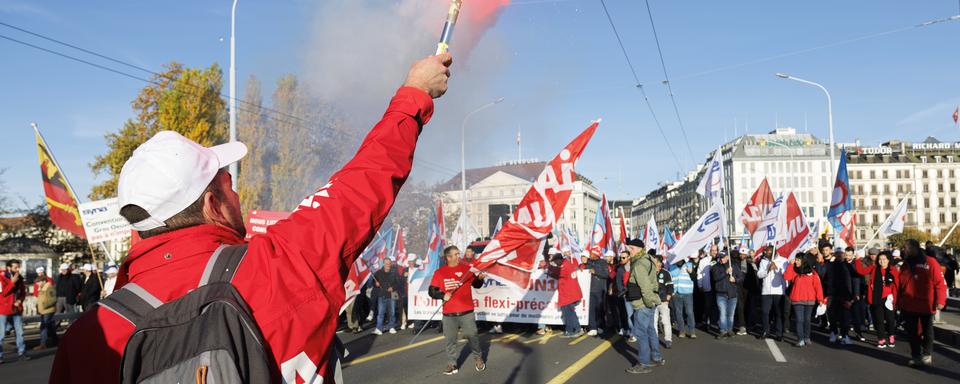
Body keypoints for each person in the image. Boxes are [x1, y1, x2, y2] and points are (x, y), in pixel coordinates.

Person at [50, 52, 453, 383]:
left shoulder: (88, 338)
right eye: (228, 183)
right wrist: (415, 94)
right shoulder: (275, 266)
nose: (238, 194)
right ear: (211, 203)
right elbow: (361, 185)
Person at [427, 246, 487, 375]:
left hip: (467, 311)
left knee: (472, 335)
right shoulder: (440, 272)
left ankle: (478, 357)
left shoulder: (467, 269)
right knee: (450, 340)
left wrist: (480, 279)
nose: (458, 256)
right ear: (448, 257)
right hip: (449, 313)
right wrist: (443, 295)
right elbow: (431, 291)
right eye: (455, 254)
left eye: (459, 254)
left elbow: (476, 284)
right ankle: (452, 363)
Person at [898, 239, 947, 368]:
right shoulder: (906, 264)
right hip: (909, 304)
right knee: (912, 333)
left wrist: (941, 301)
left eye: (906, 248)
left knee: (927, 331)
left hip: (926, 304)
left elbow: (940, 283)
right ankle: (916, 356)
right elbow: (901, 285)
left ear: (914, 248)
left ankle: (927, 353)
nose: (904, 250)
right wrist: (899, 301)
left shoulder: (930, 262)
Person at [625, 239, 665, 375]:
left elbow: (645, 287)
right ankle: (656, 357)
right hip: (649, 300)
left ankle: (643, 363)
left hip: (643, 303)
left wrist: (648, 303)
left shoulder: (639, 264)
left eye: (631, 248)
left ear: (638, 249)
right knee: (650, 330)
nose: (629, 250)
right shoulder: (648, 259)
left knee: (641, 333)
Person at [854, 250, 899, 348]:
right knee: (878, 320)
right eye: (880, 259)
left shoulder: (893, 269)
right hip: (876, 297)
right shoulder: (874, 268)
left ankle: (891, 336)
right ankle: (881, 339)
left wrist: (896, 299)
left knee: (890, 319)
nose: (882, 261)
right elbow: (861, 271)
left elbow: (897, 284)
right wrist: (857, 260)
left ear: (888, 260)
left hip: (889, 298)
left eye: (884, 259)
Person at [784, 252, 826, 347]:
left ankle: (807, 337)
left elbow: (818, 286)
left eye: (798, 260)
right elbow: (786, 277)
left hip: (809, 301)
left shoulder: (812, 273)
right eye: (796, 259)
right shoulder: (794, 270)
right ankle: (800, 339)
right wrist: (790, 265)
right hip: (797, 300)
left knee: (807, 320)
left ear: (803, 261)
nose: (796, 261)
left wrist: (820, 299)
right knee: (799, 320)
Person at [756, 248, 788, 341]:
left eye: (768, 251)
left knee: (778, 313)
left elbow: (785, 274)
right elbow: (759, 274)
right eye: (765, 251)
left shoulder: (783, 260)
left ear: (773, 251)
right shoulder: (763, 261)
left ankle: (779, 334)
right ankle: (766, 331)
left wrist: (777, 268)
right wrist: (767, 270)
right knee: (765, 312)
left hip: (778, 291)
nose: (765, 253)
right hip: (766, 291)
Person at [550, 251, 584, 338]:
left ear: (559, 260)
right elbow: (561, 276)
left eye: (555, 261)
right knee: (570, 313)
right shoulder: (567, 264)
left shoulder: (564, 266)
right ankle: (575, 330)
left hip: (569, 294)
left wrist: (549, 267)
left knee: (568, 313)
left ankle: (572, 330)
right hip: (570, 294)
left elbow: (560, 272)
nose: (555, 263)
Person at [824, 248, 854, 345]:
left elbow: (852, 281)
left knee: (845, 317)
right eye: (837, 254)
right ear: (835, 255)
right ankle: (833, 332)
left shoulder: (848, 266)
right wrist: (826, 294)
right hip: (832, 294)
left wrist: (850, 296)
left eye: (841, 254)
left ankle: (845, 335)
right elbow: (824, 278)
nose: (840, 256)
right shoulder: (830, 265)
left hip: (845, 295)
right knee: (832, 316)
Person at [711, 250, 743, 339]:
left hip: (732, 294)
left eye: (723, 257)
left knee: (731, 314)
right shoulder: (715, 267)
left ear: (727, 257)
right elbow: (716, 278)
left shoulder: (734, 266)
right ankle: (723, 331)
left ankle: (729, 330)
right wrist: (726, 272)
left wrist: (735, 280)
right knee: (723, 313)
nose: (721, 259)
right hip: (721, 294)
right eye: (719, 258)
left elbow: (741, 277)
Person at [1, 259, 27, 362]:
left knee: (20, 332)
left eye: (18, 267)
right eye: (15, 267)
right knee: (1, 334)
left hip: (16, 309)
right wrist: (11, 283)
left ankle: (22, 352)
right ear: (9, 268)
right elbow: (2, 293)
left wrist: (20, 300)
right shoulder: (1, 278)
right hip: (3, 310)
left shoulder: (19, 278)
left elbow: (23, 293)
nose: (17, 269)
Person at [669, 258, 696, 339]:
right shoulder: (672, 267)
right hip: (676, 293)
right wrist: (671, 291)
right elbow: (670, 279)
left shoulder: (689, 264)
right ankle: (681, 331)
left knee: (689, 312)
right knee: (678, 312)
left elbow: (694, 278)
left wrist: (691, 272)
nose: (678, 259)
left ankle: (692, 331)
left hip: (687, 292)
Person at [373, 258, 401, 335]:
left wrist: (393, 288)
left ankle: (391, 327)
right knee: (380, 313)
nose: (388, 265)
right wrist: (376, 284)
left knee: (392, 312)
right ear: (383, 263)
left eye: (389, 263)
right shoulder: (378, 273)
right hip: (382, 295)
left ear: (391, 263)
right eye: (386, 263)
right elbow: (373, 283)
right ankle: (379, 328)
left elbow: (399, 283)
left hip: (392, 295)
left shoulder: (394, 272)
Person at [584, 249, 610, 336]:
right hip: (590, 290)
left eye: (592, 254)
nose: (590, 255)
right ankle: (592, 327)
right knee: (591, 309)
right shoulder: (588, 263)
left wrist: (595, 272)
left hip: (600, 290)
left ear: (596, 255)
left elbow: (606, 275)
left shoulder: (603, 263)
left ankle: (600, 326)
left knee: (600, 309)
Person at [652, 254, 673, 348]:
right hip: (652, 301)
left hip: (663, 301)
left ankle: (668, 339)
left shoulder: (666, 273)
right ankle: (654, 339)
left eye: (655, 261)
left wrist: (667, 299)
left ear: (660, 263)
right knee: (653, 322)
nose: (653, 263)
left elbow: (670, 287)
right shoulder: (650, 273)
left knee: (665, 321)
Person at [35, 267, 58, 350]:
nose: (37, 284)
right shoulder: (41, 288)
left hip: (48, 310)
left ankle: (43, 344)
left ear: (44, 281)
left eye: (38, 282)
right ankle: (56, 341)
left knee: (43, 327)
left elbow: (53, 299)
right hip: (43, 311)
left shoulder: (49, 288)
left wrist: (44, 305)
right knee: (50, 327)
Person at [697, 245, 718, 331]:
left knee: (717, 307)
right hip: (707, 287)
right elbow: (699, 273)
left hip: (718, 288)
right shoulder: (703, 261)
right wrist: (700, 285)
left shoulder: (720, 260)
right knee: (707, 306)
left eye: (715, 250)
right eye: (712, 250)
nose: (714, 252)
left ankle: (716, 323)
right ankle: (706, 323)